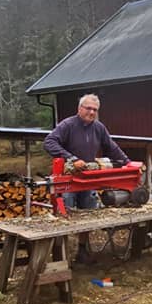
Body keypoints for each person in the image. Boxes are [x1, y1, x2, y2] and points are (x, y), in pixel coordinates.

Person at [44, 94, 129, 263]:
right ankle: (61, 256)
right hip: (67, 179)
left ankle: (82, 251)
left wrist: (128, 162)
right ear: (79, 108)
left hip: (88, 179)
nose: (91, 112)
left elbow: (112, 147)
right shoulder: (67, 125)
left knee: (88, 214)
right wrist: (72, 158)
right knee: (65, 216)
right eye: (88, 108)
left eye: (95, 110)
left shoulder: (99, 128)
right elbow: (49, 142)